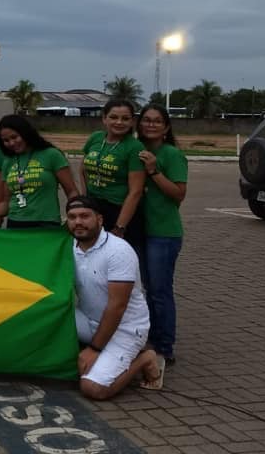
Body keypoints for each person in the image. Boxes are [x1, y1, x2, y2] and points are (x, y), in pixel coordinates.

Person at [66, 195, 165, 399]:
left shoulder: (118, 251)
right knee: (48, 316)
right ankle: (102, 353)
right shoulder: (69, 247)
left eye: (84, 216)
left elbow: (117, 307)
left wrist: (94, 350)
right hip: (88, 320)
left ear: (99, 219)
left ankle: (146, 358)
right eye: (72, 217)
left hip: (125, 327)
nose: (78, 222)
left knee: (92, 387)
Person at [137, 104, 188, 365]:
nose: (151, 125)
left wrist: (154, 171)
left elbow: (179, 194)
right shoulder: (136, 151)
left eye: (157, 121)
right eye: (146, 120)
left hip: (164, 233)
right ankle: (151, 340)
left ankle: (164, 346)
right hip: (140, 231)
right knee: (146, 289)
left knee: (160, 291)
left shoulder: (171, 154)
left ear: (166, 127)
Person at [0, 115, 78, 229]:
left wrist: (74, 217)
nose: (11, 143)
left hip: (46, 224)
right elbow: (6, 204)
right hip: (15, 224)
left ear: (25, 133)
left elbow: (72, 191)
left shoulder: (51, 155)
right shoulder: (8, 162)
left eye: (14, 137)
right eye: (6, 140)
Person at [80, 100, 146, 250]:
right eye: (113, 117)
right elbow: (83, 169)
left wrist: (120, 227)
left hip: (120, 212)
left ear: (132, 121)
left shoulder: (134, 147)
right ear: (104, 118)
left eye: (125, 118)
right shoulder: (95, 138)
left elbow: (135, 192)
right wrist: (85, 198)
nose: (119, 122)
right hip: (94, 209)